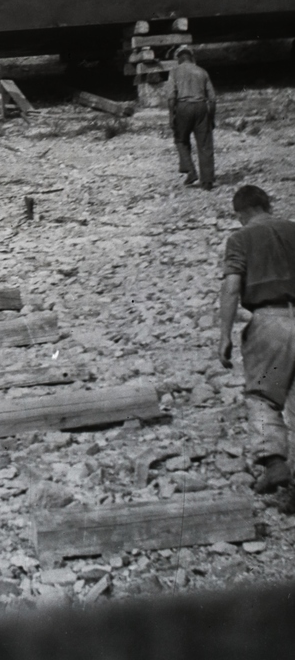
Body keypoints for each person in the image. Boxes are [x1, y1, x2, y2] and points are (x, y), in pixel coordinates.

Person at [219, 185, 295, 506]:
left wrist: (224, 334)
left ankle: (274, 462)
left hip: (270, 320)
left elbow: (231, 288)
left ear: (240, 214)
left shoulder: (240, 238)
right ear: (268, 205)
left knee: (263, 396)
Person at [166, 45, 216, 189]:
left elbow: (171, 97)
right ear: (192, 58)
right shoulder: (202, 71)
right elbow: (212, 99)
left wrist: (172, 116)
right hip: (201, 107)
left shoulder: (174, 72)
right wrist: (211, 118)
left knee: (181, 139)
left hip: (183, 107)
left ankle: (190, 170)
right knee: (205, 144)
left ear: (179, 59)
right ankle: (207, 181)